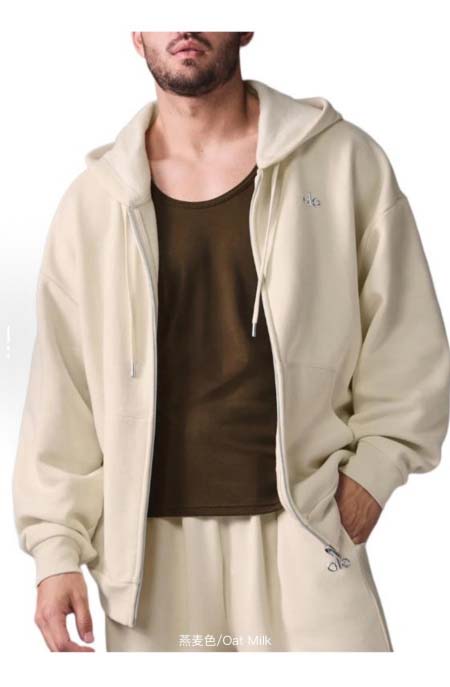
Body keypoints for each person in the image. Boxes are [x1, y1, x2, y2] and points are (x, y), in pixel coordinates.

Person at [12, 31, 450, 652]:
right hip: (152, 558)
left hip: (304, 528)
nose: (186, 23)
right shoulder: (95, 204)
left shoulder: (341, 161)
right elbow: (63, 390)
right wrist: (55, 550)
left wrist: (375, 474)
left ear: (245, 24)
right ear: (136, 34)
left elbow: (407, 335)